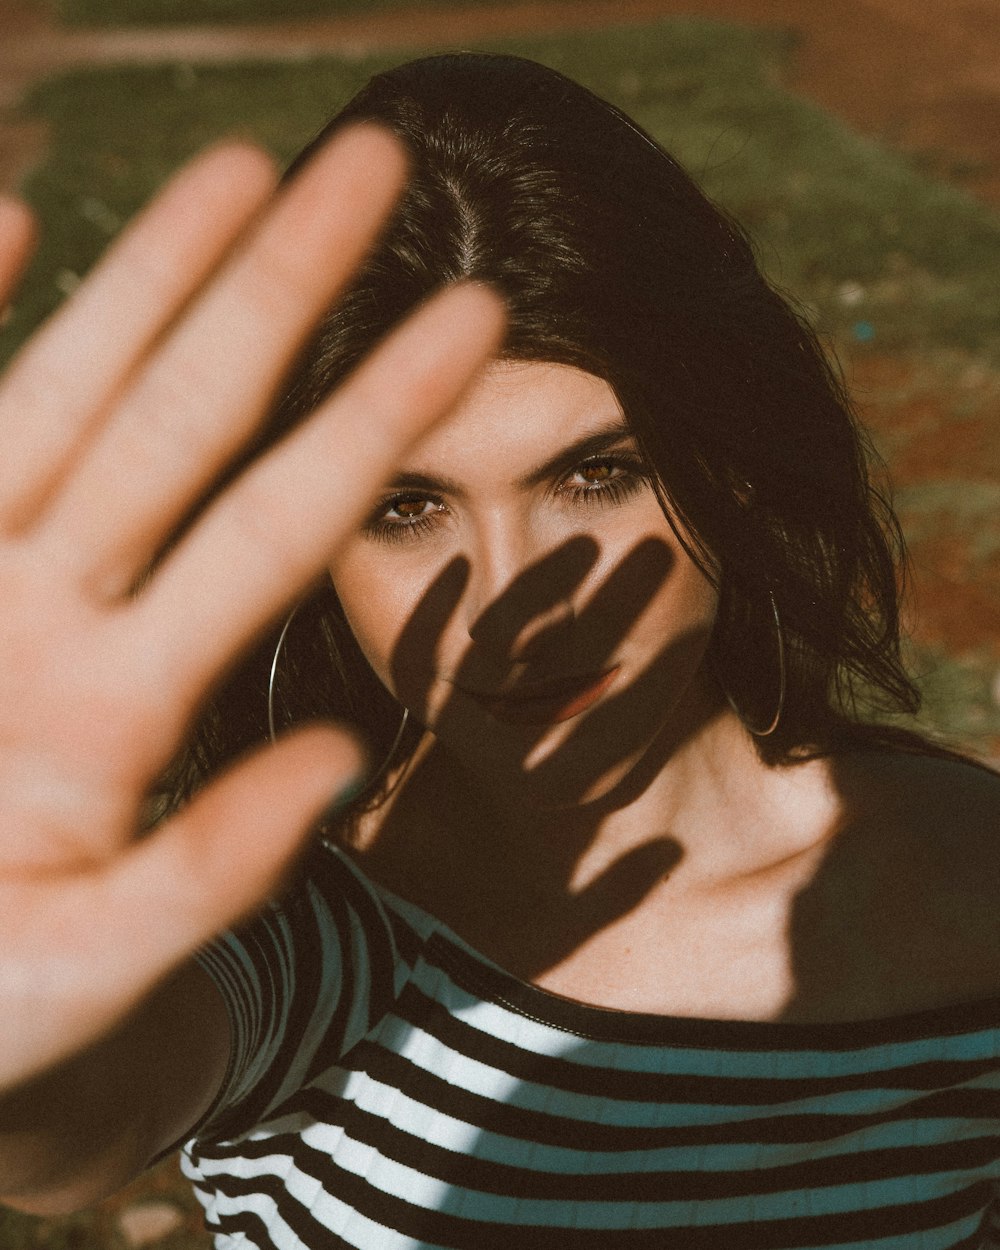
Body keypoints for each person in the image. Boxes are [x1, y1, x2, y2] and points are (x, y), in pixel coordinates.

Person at [1, 49, 998, 1250]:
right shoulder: (307, 937)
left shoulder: (967, 886)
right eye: (404, 506)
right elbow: (72, 1124)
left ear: (728, 455)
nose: (512, 599)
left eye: (596, 473)